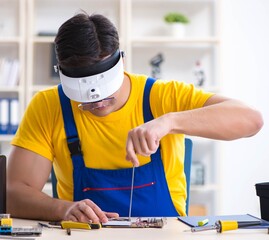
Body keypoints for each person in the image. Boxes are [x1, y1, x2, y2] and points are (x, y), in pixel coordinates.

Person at [7, 12, 263, 223]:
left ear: (121, 61)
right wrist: (62, 209)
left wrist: (169, 121)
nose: (97, 104)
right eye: (85, 99)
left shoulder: (161, 96)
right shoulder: (49, 106)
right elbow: (12, 192)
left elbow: (251, 120)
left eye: (105, 94)